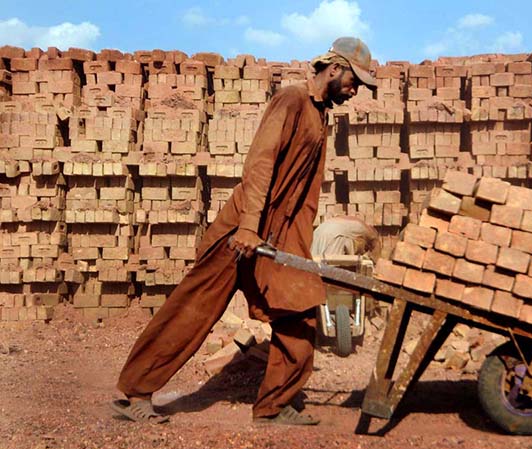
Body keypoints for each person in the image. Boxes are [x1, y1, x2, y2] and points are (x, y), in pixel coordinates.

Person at [110, 37, 377, 426]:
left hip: (280, 236)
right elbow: (260, 164)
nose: (355, 91)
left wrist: (298, 249)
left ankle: (272, 406)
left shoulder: (321, 116)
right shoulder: (291, 100)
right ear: (334, 69)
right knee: (194, 309)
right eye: (355, 81)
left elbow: (302, 196)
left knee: (299, 313)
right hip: (240, 230)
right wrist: (250, 227)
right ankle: (136, 391)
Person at [310, 215, 380, 259]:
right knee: (333, 271)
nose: (362, 252)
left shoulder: (354, 222)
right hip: (334, 236)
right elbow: (376, 243)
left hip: (318, 232)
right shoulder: (368, 232)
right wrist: (374, 262)